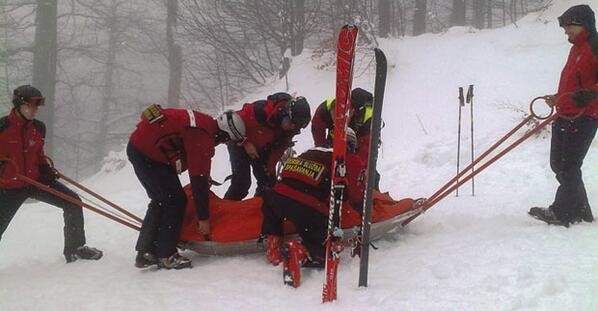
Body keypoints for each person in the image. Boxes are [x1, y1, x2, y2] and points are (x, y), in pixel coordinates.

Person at [128, 105, 246, 269]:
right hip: (149, 155)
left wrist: (203, 176)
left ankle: (146, 251)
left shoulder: (203, 123)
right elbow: (198, 180)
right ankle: (166, 254)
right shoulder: (203, 135)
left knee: (161, 199)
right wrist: (203, 218)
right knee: (175, 201)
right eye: (227, 140)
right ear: (224, 133)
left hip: (141, 148)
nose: (224, 143)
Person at [0, 85, 103, 263]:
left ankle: (75, 248)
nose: (35, 110)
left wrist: (45, 168)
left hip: (34, 181)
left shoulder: (39, 128)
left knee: (73, 201)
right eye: (31, 106)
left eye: (37, 107)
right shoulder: (2, 127)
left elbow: (38, 154)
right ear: (19, 105)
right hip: (9, 186)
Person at [260, 128, 365, 287]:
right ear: (350, 145)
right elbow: (356, 195)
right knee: (327, 253)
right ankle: (301, 251)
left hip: (276, 197)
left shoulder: (310, 151)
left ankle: (273, 246)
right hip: (307, 205)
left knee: (273, 212)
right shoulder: (347, 159)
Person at [529, 5, 597, 227]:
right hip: (565, 113)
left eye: (569, 26)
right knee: (559, 164)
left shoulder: (595, 46)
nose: (565, 30)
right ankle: (582, 210)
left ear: (582, 24)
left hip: (586, 115)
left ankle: (564, 212)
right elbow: (575, 82)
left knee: (569, 165)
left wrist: (588, 95)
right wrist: (558, 97)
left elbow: (589, 88)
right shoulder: (576, 48)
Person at [223, 93, 311, 200]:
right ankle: (227, 210)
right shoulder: (260, 111)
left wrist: (269, 172)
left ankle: (259, 210)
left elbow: (277, 152)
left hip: (263, 147)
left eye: (297, 126)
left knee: (268, 185)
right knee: (241, 183)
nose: (292, 127)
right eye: (292, 123)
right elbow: (231, 120)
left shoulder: (291, 129)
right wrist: (245, 142)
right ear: (285, 113)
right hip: (239, 141)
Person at [311, 88, 380, 188]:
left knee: (368, 176)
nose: (336, 117)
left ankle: (371, 198)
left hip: (359, 141)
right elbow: (317, 128)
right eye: (334, 114)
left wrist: (354, 172)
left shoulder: (368, 120)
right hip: (335, 140)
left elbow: (366, 152)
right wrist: (322, 150)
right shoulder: (327, 108)